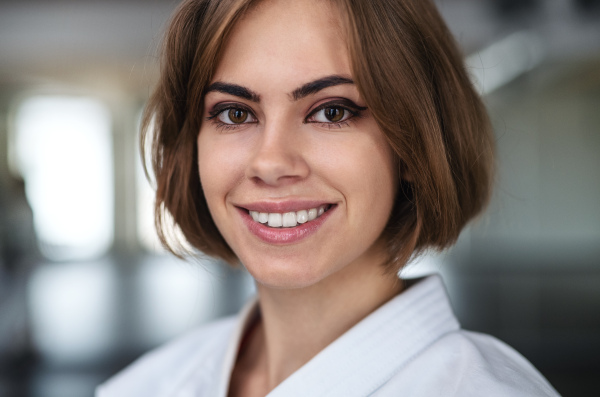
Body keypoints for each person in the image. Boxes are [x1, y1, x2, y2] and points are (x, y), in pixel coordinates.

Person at [97, 0, 559, 395]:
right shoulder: (146, 385)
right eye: (235, 113)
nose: (271, 162)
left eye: (331, 111)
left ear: (414, 143)